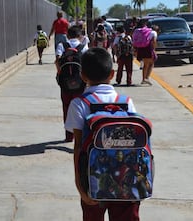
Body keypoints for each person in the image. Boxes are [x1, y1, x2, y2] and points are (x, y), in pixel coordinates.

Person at [65, 47, 140, 221]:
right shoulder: (127, 102)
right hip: (126, 179)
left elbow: (77, 148)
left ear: (83, 76)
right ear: (112, 74)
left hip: (94, 179)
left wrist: (80, 186)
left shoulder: (79, 104)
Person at [55, 25, 89, 142]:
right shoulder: (83, 47)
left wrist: (60, 73)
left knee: (66, 107)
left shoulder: (62, 45)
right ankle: (80, 135)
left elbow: (57, 60)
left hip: (65, 83)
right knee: (80, 108)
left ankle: (69, 136)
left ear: (68, 35)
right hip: (80, 83)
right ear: (79, 36)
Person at [134, 20, 157, 86]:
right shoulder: (153, 32)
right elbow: (154, 41)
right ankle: (146, 78)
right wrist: (154, 49)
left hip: (140, 49)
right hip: (148, 49)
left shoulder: (137, 31)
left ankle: (144, 78)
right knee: (151, 64)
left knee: (145, 64)